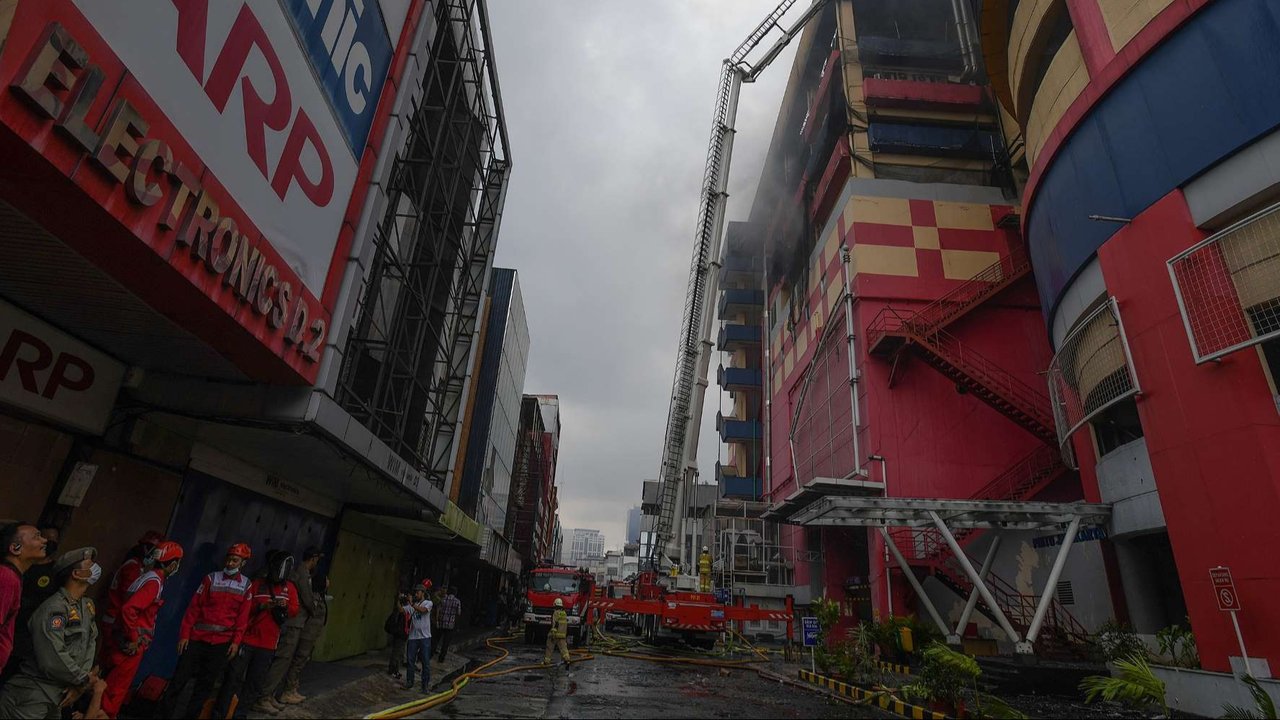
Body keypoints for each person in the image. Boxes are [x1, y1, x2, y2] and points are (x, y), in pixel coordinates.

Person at [0, 547, 100, 719]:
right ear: (76, 573)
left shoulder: (85, 607)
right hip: (33, 693)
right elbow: (51, 655)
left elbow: (89, 645)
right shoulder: (54, 608)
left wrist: (80, 685)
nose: (95, 567)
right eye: (90, 564)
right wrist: (82, 679)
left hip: (58, 696)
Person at [156, 543, 253, 719]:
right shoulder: (211, 579)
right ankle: (164, 715)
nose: (230, 563)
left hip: (221, 643)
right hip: (197, 639)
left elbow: (242, 618)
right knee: (179, 680)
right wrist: (185, 635)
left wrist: (236, 641)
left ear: (243, 563)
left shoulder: (246, 586)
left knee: (204, 686)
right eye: (229, 559)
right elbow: (193, 609)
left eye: (235, 560)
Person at [100, 539, 182, 718]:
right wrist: (134, 638)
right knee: (116, 689)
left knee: (110, 684)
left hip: (123, 639)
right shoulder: (154, 582)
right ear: (173, 564)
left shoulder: (148, 576)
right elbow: (129, 609)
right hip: (130, 644)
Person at [217, 551, 298, 718]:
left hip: (268, 643)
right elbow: (245, 608)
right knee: (232, 678)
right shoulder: (256, 584)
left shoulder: (289, 588)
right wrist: (262, 606)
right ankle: (220, 713)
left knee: (253, 682)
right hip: (247, 639)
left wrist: (284, 606)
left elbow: (294, 610)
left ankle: (240, 715)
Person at [263, 547, 321, 707]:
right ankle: (265, 696)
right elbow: (307, 599)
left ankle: (269, 695)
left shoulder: (300, 573)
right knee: (282, 659)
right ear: (314, 558)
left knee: (284, 660)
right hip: (293, 622)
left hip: (293, 622)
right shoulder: (301, 574)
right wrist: (315, 608)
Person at [100, 531, 164, 657]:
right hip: (115, 619)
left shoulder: (134, 565)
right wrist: (133, 635)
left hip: (113, 618)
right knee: (109, 658)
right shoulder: (133, 568)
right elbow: (128, 600)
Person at [1, 522, 49, 674]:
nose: (45, 540)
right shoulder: (7, 578)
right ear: (15, 548)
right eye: (37, 537)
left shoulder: (13, 577)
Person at [277, 573, 328, 705]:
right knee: (298, 659)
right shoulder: (313, 599)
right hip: (306, 634)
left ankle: (291, 688)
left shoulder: (318, 598)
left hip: (308, 634)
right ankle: (288, 690)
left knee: (300, 660)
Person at [402, 581, 433, 693]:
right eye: (415, 592)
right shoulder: (412, 606)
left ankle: (424, 686)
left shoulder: (428, 603)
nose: (416, 594)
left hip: (425, 637)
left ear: (423, 593)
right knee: (410, 661)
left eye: (418, 592)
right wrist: (399, 600)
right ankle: (409, 682)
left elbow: (423, 610)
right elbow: (402, 610)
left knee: (425, 662)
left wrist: (411, 603)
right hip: (413, 637)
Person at [383, 592, 410, 680]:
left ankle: (395, 670)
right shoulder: (401, 610)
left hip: (403, 634)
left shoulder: (407, 610)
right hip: (400, 633)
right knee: (396, 653)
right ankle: (392, 670)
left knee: (399, 653)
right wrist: (399, 599)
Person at [434, 587, 461, 663]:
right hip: (450, 626)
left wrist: (437, 621)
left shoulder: (442, 599)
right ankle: (441, 659)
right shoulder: (457, 601)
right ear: (455, 593)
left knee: (436, 640)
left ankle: (430, 654)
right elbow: (458, 613)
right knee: (445, 643)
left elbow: (438, 610)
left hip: (441, 623)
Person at [543, 598, 570, 667]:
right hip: (562, 634)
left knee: (549, 647)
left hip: (555, 634)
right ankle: (567, 659)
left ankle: (547, 661)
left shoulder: (555, 613)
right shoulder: (564, 613)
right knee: (563, 648)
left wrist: (552, 633)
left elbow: (555, 624)